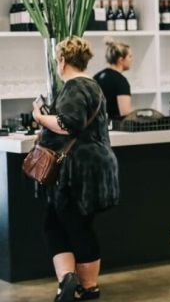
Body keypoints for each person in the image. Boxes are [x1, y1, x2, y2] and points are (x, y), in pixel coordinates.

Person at [32, 36, 119, 302]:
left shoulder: (75, 86)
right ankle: (69, 281)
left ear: (63, 60)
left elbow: (68, 124)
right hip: (92, 167)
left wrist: (38, 115)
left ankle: (86, 286)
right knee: (62, 223)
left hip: (77, 170)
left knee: (73, 225)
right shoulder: (93, 86)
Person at [94, 39, 133, 121]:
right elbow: (125, 114)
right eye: (130, 56)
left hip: (98, 127)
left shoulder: (97, 76)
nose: (131, 60)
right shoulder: (121, 81)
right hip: (115, 128)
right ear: (121, 60)